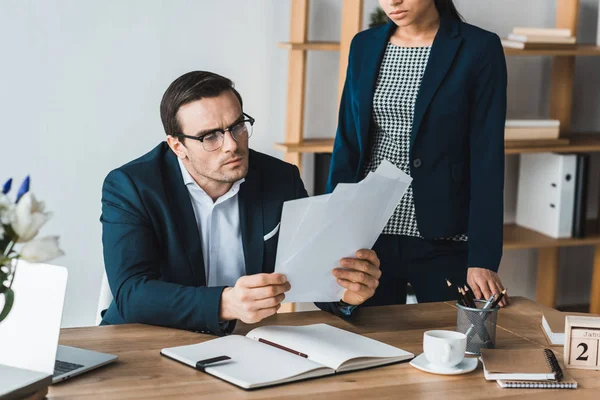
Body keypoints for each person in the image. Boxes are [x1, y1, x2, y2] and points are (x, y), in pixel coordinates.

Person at [99, 71, 382, 335]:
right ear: (177, 147)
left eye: (237, 127)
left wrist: (346, 294)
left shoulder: (280, 178)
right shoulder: (131, 186)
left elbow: (312, 270)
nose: (232, 145)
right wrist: (225, 303)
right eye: (210, 137)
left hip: (244, 339)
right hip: (144, 337)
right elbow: (131, 293)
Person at [328, 0, 509, 307]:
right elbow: (347, 144)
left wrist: (483, 256)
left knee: (457, 345)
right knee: (371, 342)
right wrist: (334, 231)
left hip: (445, 234)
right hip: (370, 234)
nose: (392, 2)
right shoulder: (364, 45)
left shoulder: (479, 47)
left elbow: (487, 155)